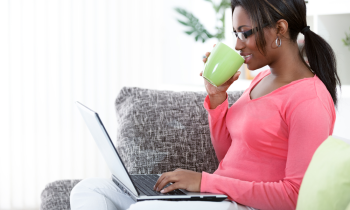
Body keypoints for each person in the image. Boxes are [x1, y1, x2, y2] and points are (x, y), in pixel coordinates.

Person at [70, 0, 340, 209]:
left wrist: (204, 182)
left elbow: (296, 197)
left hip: (245, 205)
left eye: (244, 33)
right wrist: (217, 97)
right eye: (235, 33)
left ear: (280, 29)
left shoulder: (309, 100)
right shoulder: (260, 79)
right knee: (89, 189)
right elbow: (229, 157)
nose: (237, 44)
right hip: (218, 197)